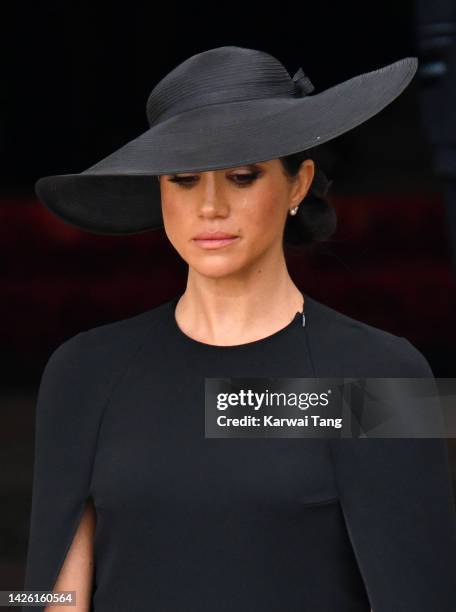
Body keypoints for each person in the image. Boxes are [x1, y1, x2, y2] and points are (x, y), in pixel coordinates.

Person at [23, 46, 456, 611]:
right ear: (160, 190)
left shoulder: (381, 375)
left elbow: (420, 593)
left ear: (298, 185)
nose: (209, 206)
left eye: (241, 176)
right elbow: (44, 596)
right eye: (182, 178)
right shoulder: (82, 372)